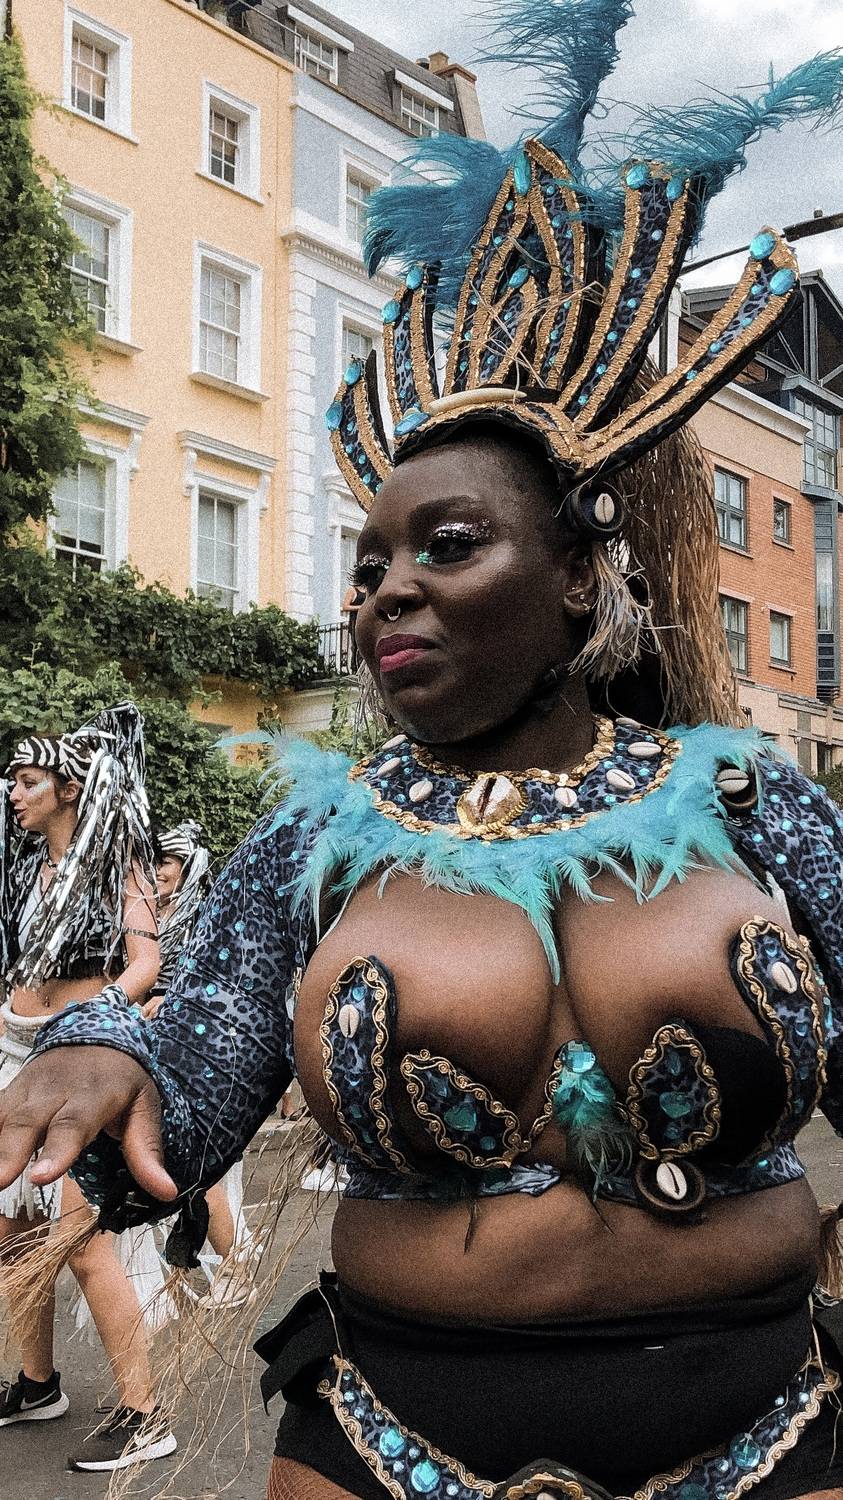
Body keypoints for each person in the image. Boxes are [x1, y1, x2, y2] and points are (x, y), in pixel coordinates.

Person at [3, 4, 843, 1496]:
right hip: (398, 1445)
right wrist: (94, 1057)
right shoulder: (311, 841)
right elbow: (200, 1077)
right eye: (367, 563)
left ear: (577, 577)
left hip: (767, 1432)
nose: (384, 590)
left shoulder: (742, 799)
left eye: (446, 545)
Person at [0, 705, 177, 1473]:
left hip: (81, 1061)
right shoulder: (24, 869)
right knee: (13, 1238)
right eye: (12, 781)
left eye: (27, 781)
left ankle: (146, 1413)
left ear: (70, 789)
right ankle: (38, 1384)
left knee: (81, 1244)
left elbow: (146, 964)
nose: (14, 793)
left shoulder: (118, 866)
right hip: (15, 1053)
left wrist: (91, 1019)